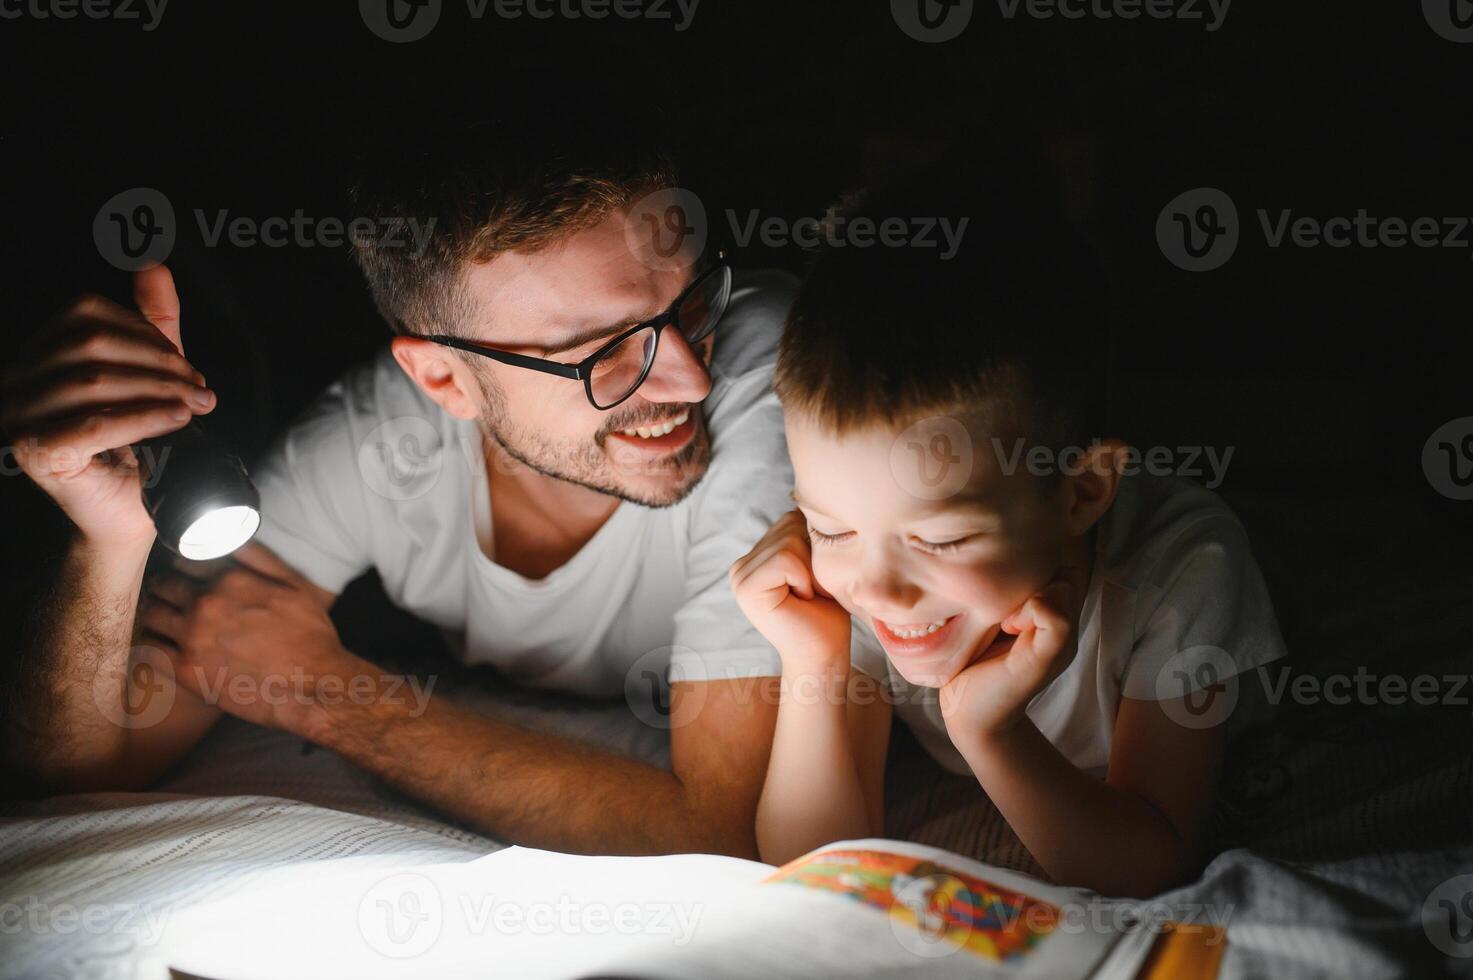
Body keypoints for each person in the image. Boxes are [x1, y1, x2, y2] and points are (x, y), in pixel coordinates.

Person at [0, 110, 878, 858]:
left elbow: (720, 834)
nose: (687, 378)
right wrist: (107, 539)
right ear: (443, 381)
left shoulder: (765, 365)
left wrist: (324, 694)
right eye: (598, 351)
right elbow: (85, 776)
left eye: (688, 305)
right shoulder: (378, 447)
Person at [730, 159, 1287, 895]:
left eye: (943, 540)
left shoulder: (1180, 569)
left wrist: (989, 732)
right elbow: (807, 864)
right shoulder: (851, 581)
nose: (880, 591)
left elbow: (1147, 866)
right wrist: (814, 661)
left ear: (1081, 492)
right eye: (827, 526)